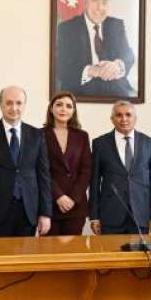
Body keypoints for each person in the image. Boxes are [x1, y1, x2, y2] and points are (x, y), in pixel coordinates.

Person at [0, 86, 52, 237]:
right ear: (1, 105)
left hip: (28, 211)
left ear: (24, 105)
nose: (14, 108)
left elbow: (44, 176)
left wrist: (45, 213)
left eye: (18, 103)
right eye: (9, 103)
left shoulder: (37, 135)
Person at [55, 0, 137, 97]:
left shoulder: (116, 25)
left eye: (105, 1)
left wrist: (118, 65)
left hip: (116, 90)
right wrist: (91, 71)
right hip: (81, 92)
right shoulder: (67, 28)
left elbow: (128, 55)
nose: (100, 7)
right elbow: (60, 66)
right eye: (94, 0)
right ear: (85, 1)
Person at [89, 101, 151, 236]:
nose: (124, 119)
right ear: (112, 119)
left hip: (141, 215)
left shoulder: (149, 143)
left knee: (139, 251)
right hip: (110, 214)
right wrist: (94, 216)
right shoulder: (100, 143)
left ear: (135, 118)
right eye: (119, 115)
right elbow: (94, 183)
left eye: (128, 115)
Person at [43, 91, 92, 236]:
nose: (63, 109)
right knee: (49, 248)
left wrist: (73, 198)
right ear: (51, 109)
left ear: (73, 111)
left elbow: (86, 170)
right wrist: (58, 196)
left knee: (73, 248)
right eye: (59, 105)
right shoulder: (39, 135)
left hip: (75, 205)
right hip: (49, 203)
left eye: (69, 106)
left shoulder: (82, 136)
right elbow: (41, 170)